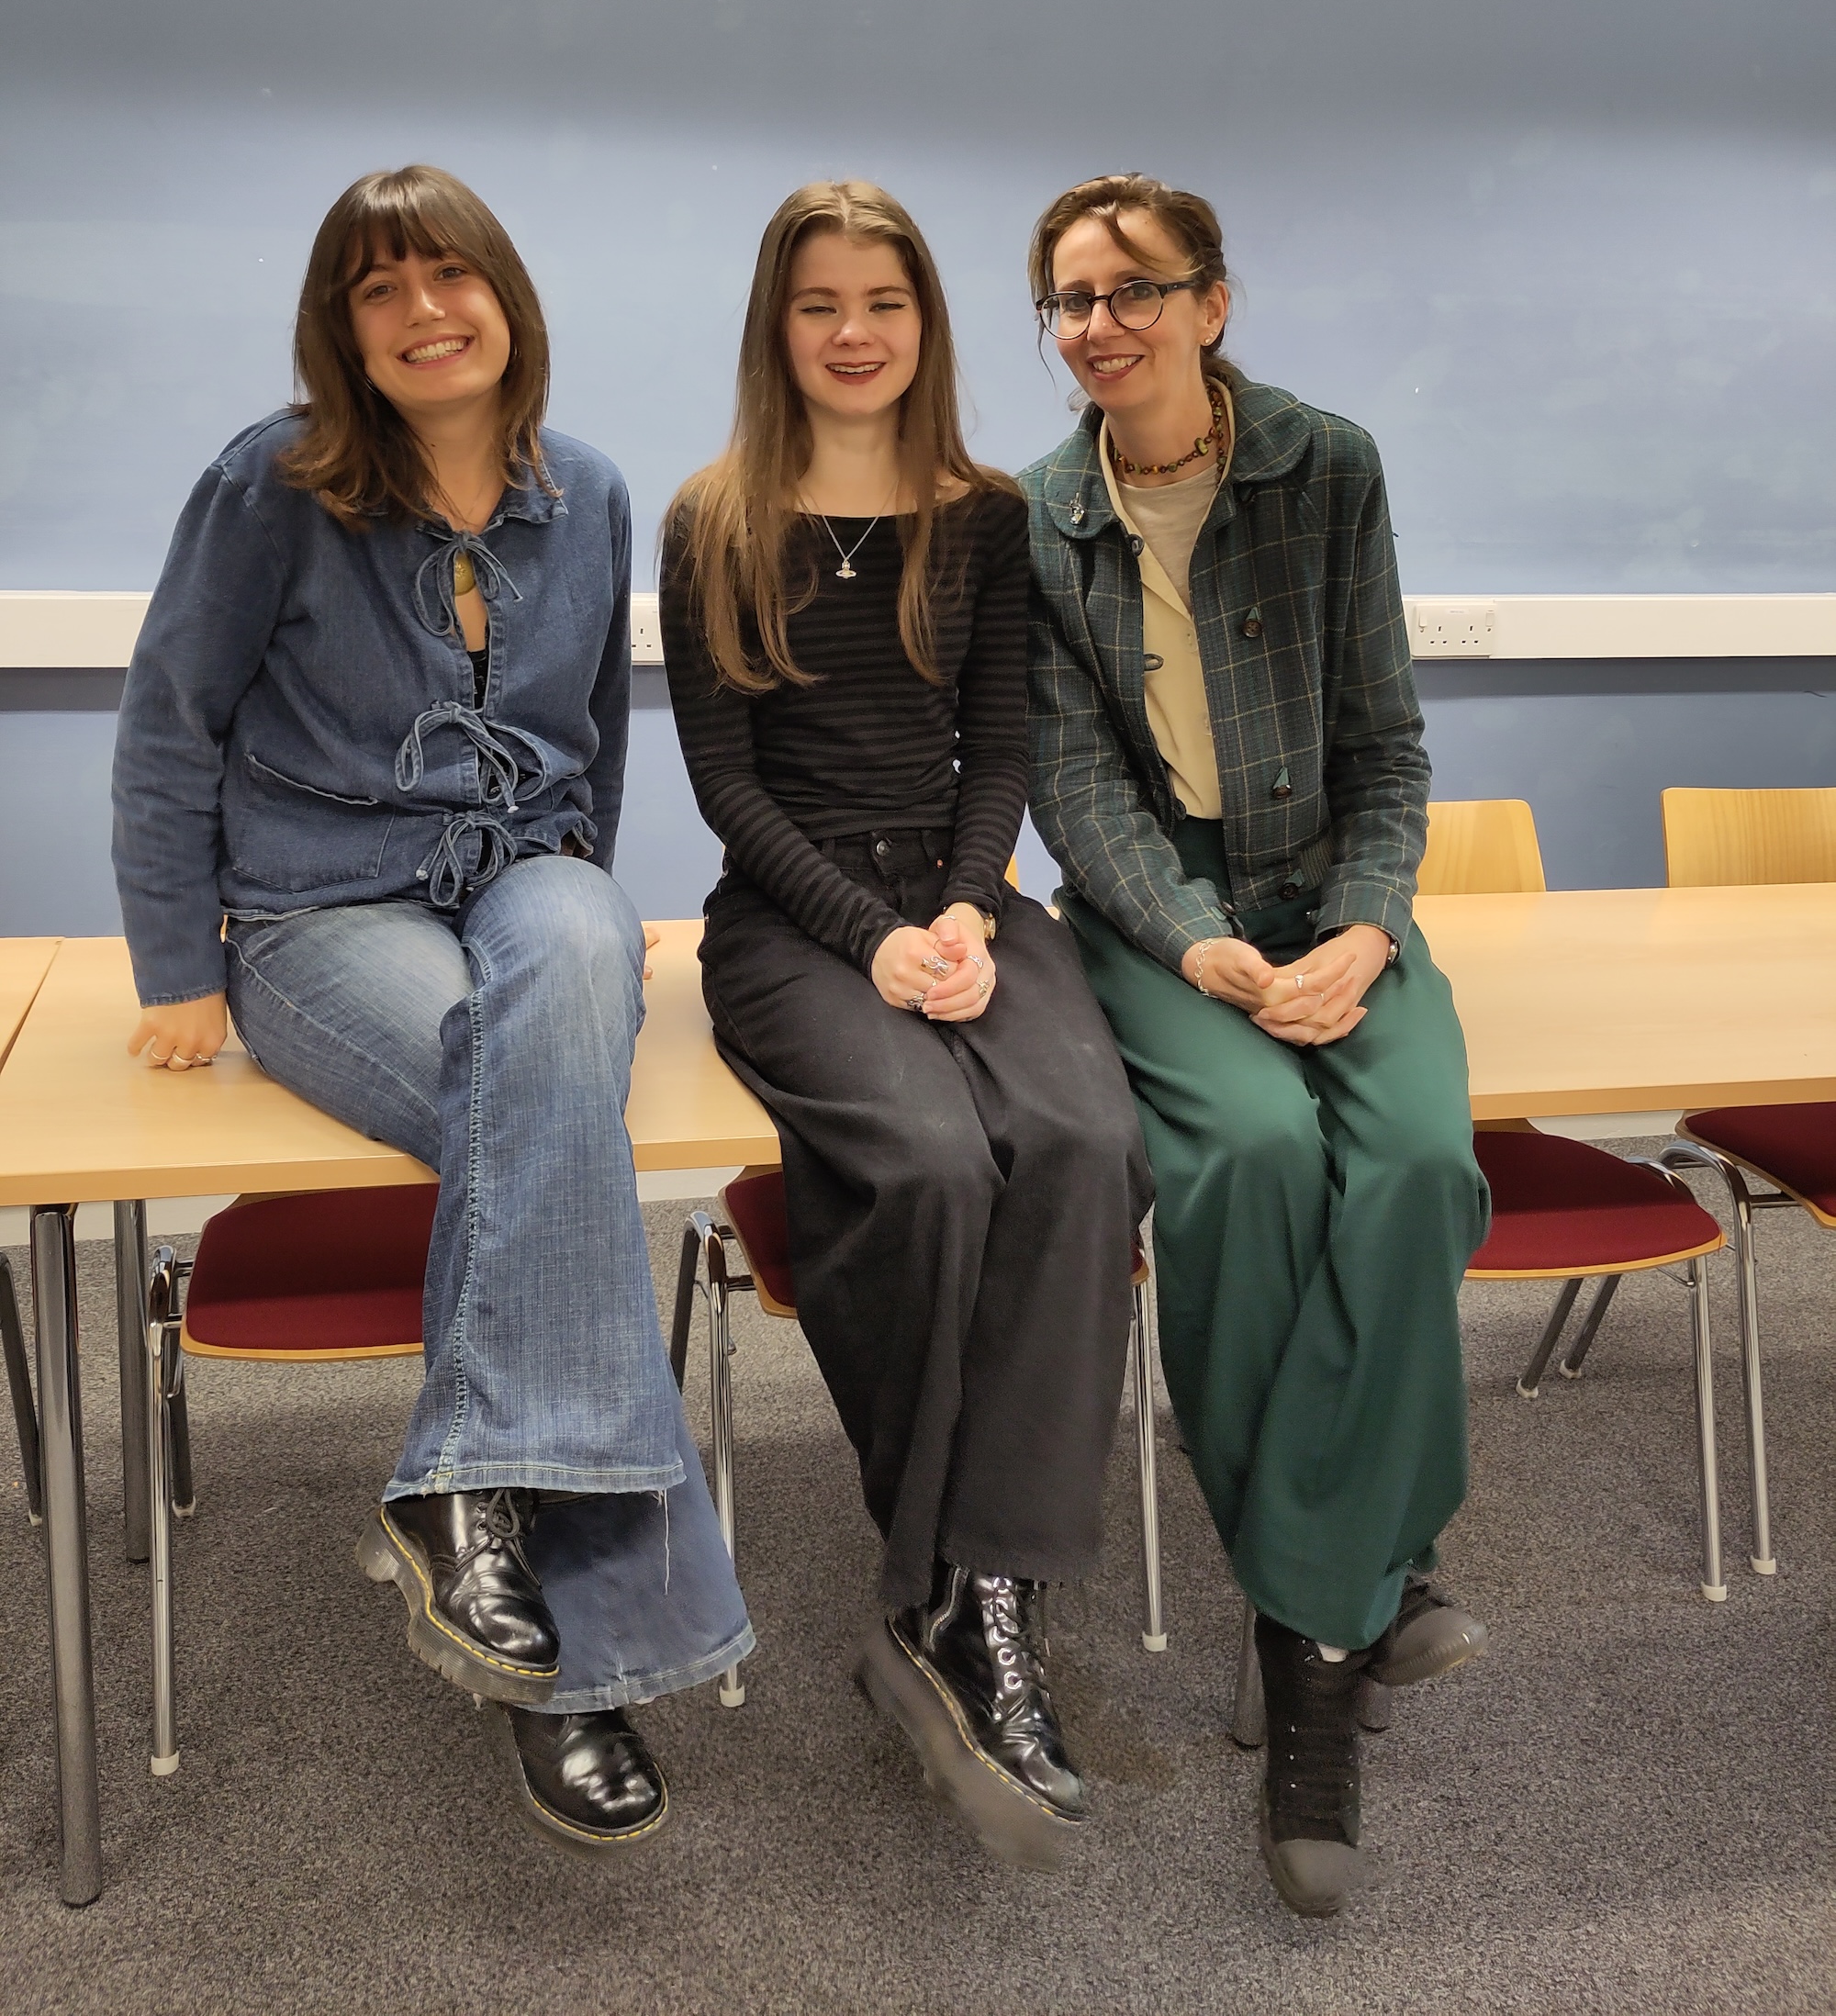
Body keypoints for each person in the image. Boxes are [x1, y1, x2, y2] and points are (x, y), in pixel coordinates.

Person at [111, 163, 752, 1855]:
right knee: (537, 1104)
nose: (422, 313)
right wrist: (176, 963)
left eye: (447, 277)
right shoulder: (272, 485)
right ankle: (574, 1660)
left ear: (507, 299)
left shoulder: (591, 491)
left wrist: (590, 930)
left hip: (532, 871)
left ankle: (470, 1495)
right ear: (341, 326)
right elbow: (172, 720)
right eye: (378, 289)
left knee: (556, 1006)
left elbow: (599, 736)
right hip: (324, 908)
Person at [659, 180, 1149, 1870]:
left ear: (928, 323)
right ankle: (935, 1580)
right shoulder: (711, 518)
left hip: (955, 897)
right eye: (819, 304)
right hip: (794, 922)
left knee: (1087, 1138)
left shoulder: (986, 515)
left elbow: (998, 740)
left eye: (886, 300)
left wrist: (961, 902)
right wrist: (873, 939)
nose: (854, 332)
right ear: (775, 327)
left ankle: (989, 1591)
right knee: (932, 1164)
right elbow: (726, 786)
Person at [1020, 173, 1490, 1920]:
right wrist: (1203, 945)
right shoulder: (1037, 516)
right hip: (1164, 919)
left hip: (1338, 895)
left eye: (1138, 289)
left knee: (1424, 1163)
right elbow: (1074, 787)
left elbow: (1390, 737)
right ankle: (1337, 1644)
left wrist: (1366, 926)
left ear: (1214, 302)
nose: (1103, 324)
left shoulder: (1327, 464)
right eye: (1071, 298)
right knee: (1252, 1162)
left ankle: (1307, 1588)